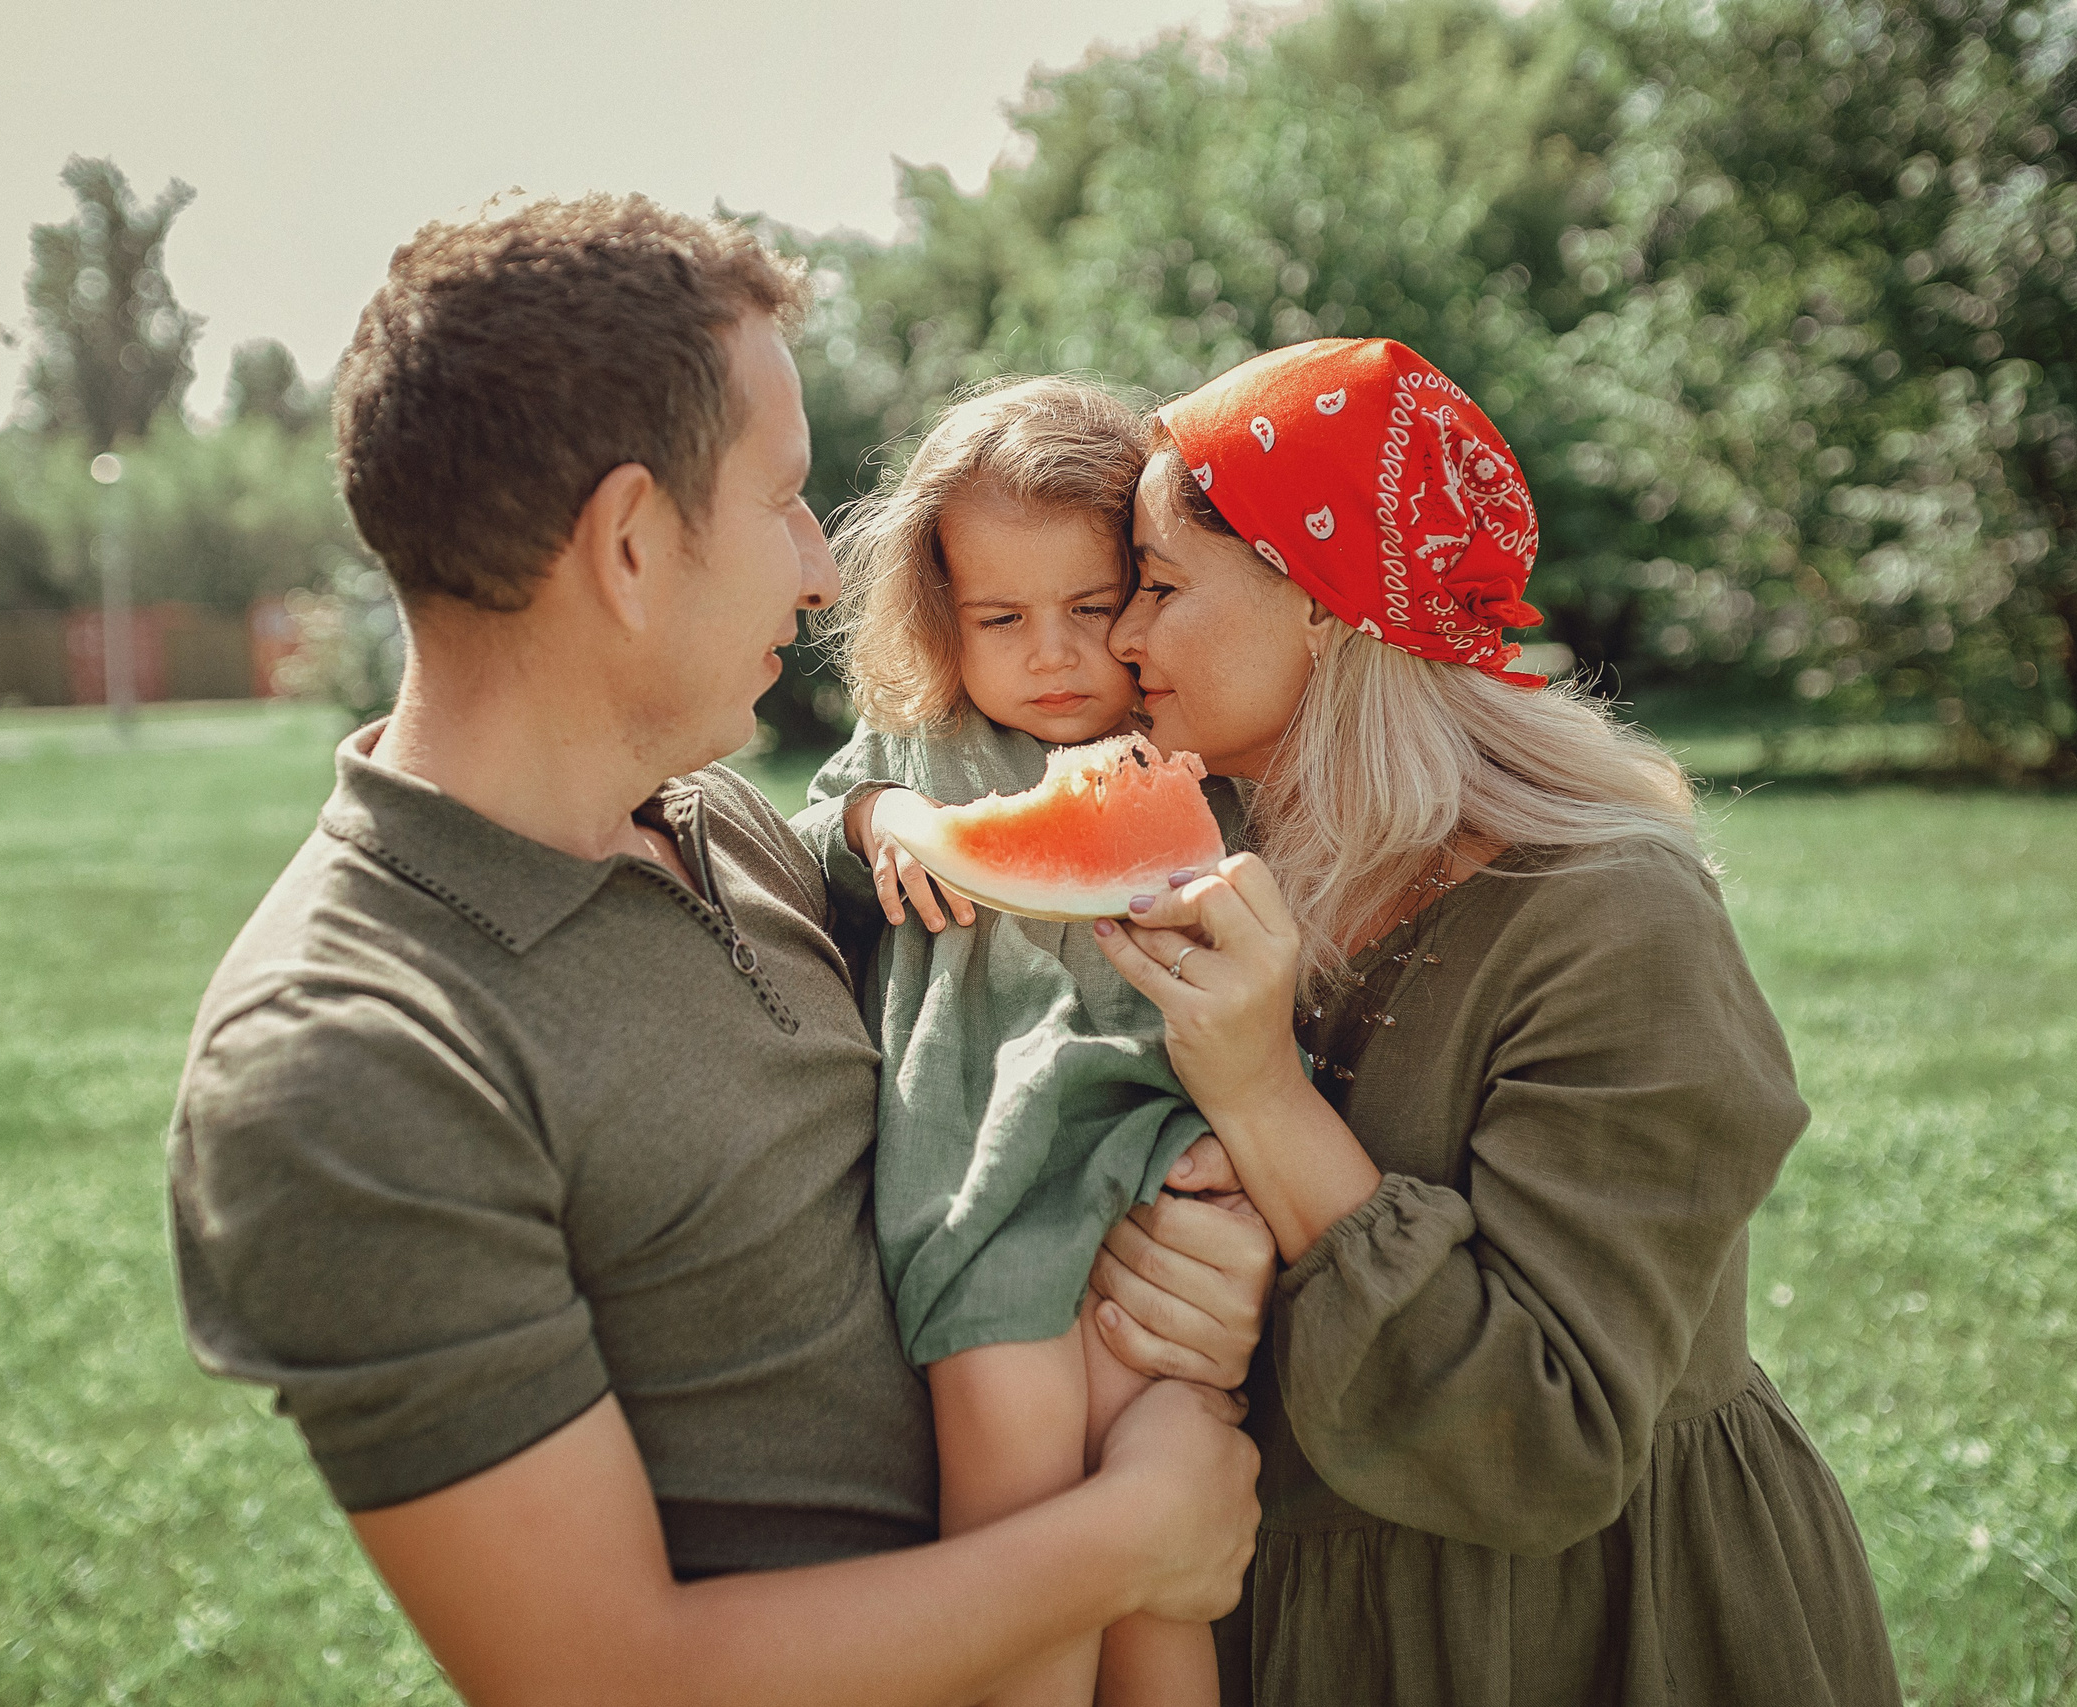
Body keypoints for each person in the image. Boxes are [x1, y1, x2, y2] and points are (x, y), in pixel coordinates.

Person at [165, 194, 1273, 1707]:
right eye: (787, 501)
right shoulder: (347, 1062)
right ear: (631, 545)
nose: (823, 570)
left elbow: (998, 1104)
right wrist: (1133, 1540)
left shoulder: (728, 825)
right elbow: (602, 1682)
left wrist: (1178, 1256)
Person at [1081, 336, 1902, 1705]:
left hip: (1578, 1631)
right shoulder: (1209, 854)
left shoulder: (1615, 924)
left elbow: (1547, 1438)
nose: (1120, 637)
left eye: (1159, 586)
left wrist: (1263, 1096)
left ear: (1323, 604)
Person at [793, 376, 1240, 1707]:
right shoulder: (919, 751)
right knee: (1025, 1548)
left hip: (1158, 1197)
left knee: (1163, 1580)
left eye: (1092, 609)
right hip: (979, 1192)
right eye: (1000, 619)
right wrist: (885, 822)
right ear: (940, 614)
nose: (1051, 656)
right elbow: (822, 824)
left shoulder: (1191, 748)